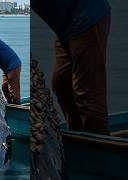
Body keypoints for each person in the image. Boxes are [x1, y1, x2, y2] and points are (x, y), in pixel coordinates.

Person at [31, 0, 111, 134]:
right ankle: (78, 135)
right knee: (62, 84)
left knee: (87, 93)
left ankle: (98, 146)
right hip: (65, 28)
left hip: (87, 17)